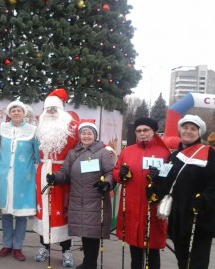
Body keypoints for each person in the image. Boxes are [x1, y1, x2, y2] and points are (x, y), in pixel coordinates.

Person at [45, 119, 115, 269]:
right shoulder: (73, 153)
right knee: (84, 232)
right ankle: (87, 262)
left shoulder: (102, 152)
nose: (86, 136)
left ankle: (90, 264)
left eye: (90, 133)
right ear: (79, 135)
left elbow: (110, 173)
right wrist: (55, 177)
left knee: (93, 233)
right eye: (83, 133)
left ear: (95, 135)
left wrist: (106, 183)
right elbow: (65, 173)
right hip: (77, 199)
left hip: (96, 199)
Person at [113, 117, 171, 269]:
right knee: (135, 247)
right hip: (132, 206)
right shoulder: (127, 151)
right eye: (139, 131)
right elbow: (116, 171)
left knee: (152, 249)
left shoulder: (164, 152)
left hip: (151, 206)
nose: (142, 133)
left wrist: (161, 175)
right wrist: (121, 174)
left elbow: (171, 177)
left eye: (146, 130)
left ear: (153, 132)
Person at [161, 115, 215, 269]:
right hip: (178, 218)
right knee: (182, 260)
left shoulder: (209, 154)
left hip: (198, 218)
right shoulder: (173, 156)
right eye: (185, 127)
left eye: (193, 129)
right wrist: (153, 186)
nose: (188, 131)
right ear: (180, 130)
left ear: (199, 133)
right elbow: (164, 180)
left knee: (196, 262)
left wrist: (205, 199)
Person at [32, 88, 79, 267]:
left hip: (63, 172)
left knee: (62, 211)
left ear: (61, 109)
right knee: (43, 210)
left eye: (55, 108)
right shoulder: (38, 126)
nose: (51, 112)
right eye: (48, 108)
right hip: (43, 171)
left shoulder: (73, 126)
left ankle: (67, 250)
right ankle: (44, 246)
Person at [0, 100, 40, 262]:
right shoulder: (2, 129)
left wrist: (34, 175)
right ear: (9, 113)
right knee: (5, 213)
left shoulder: (33, 130)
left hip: (24, 178)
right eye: (13, 110)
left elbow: (37, 156)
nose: (16, 113)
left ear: (24, 113)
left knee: (21, 214)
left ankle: (18, 247)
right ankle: (7, 245)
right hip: (4, 176)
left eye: (19, 110)